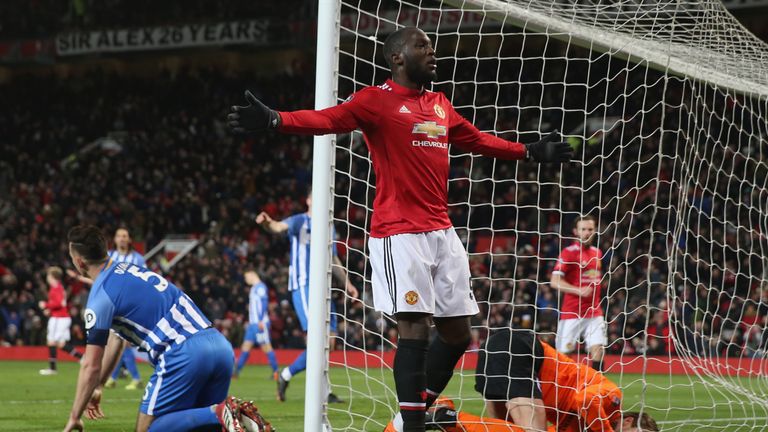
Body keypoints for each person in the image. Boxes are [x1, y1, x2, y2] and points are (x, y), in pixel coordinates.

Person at [228, 26, 572, 431]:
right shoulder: (376, 100)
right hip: (399, 233)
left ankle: (414, 410)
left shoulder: (440, 105)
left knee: (458, 334)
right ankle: (412, 424)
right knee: (415, 327)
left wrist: (529, 151)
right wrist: (274, 120)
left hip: (442, 232)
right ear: (397, 58)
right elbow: (328, 119)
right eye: (422, 45)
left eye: (431, 45)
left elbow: (477, 140)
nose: (431, 51)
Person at [61, 225, 270, 432]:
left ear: (79, 262)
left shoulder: (100, 297)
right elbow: (117, 340)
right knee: (202, 428)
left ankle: (221, 412)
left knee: (150, 428)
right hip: (219, 346)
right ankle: (225, 414)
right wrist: (98, 386)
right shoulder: (134, 270)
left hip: (183, 354)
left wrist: (74, 416)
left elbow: (90, 366)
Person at [255, 191, 359, 403]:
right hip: (305, 285)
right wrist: (267, 223)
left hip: (325, 287)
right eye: (315, 197)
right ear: (309, 200)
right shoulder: (299, 221)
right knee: (317, 340)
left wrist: (348, 284)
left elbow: (334, 259)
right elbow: (278, 227)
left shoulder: (329, 226)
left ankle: (287, 375)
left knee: (329, 342)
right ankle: (321, 390)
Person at [462, 328, 659, 432]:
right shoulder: (613, 399)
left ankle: (445, 416)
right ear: (628, 422)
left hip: (495, 354)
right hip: (524, 352)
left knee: (506, 430)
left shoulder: (582, 427)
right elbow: (585, 401)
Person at [71, 227, 145, 390]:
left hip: (131, 305)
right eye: (119, 236)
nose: (122, 239)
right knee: (117, 342)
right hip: (112, 303)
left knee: (119, 342)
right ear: (115, 239)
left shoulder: (138, 259)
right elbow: (102, 279)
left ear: (129, 239)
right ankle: (114, 376)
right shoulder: (110, 257)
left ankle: (132, 377)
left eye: (125, 236)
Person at [550, 215, 606, 371]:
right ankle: (563, 388)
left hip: (594, 311)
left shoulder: (597, 252)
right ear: (576, 231)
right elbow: (554, 281)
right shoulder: (568, 253)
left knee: (598, 349)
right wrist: (578, 290)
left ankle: (597, 388)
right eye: (583, 229)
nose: (587, 233)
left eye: (590, 229)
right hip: (572, 312)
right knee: (565, 355)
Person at [233, 268, 279, 379]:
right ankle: (236, 372)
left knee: (266, 347)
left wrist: (260, 320)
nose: (246, 279)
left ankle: (276, 372)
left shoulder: (261, 287)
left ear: (252, 274)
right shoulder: (254, 288)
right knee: (246, 347)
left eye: (246, 276)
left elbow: (264, 303)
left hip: (260, 323)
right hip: (252, 324)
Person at [38, 266, 82, 375]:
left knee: (52, 341)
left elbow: (59, 303)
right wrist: (50, 310)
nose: (47, 278)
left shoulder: (56, 288)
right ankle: (82, 358)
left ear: (52, 277)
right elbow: (61, 304)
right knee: (61, 344)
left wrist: (46, 305)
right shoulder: (58, 288)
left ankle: (53, 369)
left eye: (48, 275)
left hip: (59, 318)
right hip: (61, 317)